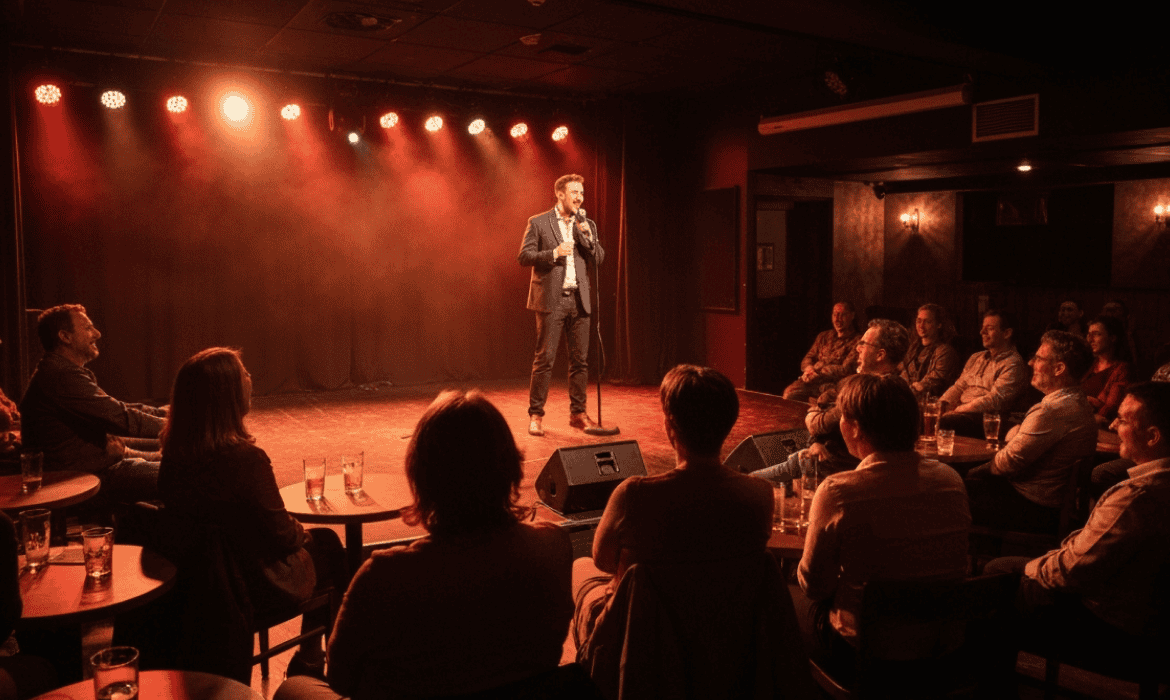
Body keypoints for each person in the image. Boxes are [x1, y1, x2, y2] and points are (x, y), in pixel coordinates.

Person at [276, 390, 573, 700]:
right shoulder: (553, 547)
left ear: (421, 474)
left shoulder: (383, 576)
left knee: (291, 689)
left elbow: (340, 679)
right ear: (510, 466)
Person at [158, 348, 346, 679]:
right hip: (244, 587)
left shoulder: (173, 460)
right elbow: (283, 535)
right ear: (226, 395)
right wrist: (300, 531)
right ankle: (313, 661)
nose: (250, 378)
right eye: (243, 373)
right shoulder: (246, 460)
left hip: (197, 588)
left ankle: (312, 660)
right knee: (328, 544)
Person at [572, 365, 773, 645]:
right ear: (730, 423)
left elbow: (603, 561)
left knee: (581, 567)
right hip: (726, 635)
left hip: (640, 639)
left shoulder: (633, 495)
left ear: (669, 427)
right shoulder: (760, 494)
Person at [984, 383, 1170, 680]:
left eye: (1123, 420)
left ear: (1153, 436)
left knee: (999, 573)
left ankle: (989, 682)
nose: (1112, 425)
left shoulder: (1138, 496)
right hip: (1148, 621)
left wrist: (1034, 567)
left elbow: (1069, 571)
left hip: (1116, 633)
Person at [797, 373, 970, 664]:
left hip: (867, 652)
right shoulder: (951, 480)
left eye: (843, 417)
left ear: (855, 428)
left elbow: (814, 587)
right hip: (944, 648)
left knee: (780, 602)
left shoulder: (837, 492)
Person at [19, 305, 167, 503]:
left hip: (95, 466)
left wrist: (169, 413)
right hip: (79, 480)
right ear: (65, 337)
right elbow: (122, 418)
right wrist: (180, 425)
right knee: (187, 474)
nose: (97, 334)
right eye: (88, 328)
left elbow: (119, 409)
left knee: (178, 454)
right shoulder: (59, 376)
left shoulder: (60, 370)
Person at [964, 331, 1097, 534]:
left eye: (1039, 358)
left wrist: (968, 473)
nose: (1030, 363)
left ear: (1059, 369)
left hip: (1033, 511)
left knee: (950, 491)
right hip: (1052, 508)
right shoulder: (1079, 403)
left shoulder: (1050, 410)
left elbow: (1005, 464)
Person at [752, 319, 910, 484]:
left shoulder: (864, 392)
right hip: (828, 463)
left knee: (749, 482)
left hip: (829, 471)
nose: (857, 348)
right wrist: (816, 442)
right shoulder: (901, 389)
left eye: (863, 344)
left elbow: (818, 425)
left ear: (880, 355)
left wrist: (814, 414)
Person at [518, 174, 605, 437]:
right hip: (551, 301)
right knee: (545, 359)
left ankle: (578, 414)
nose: (579, 197)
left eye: (582, 193)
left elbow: (598, 258)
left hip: (579, 301)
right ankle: (536, 415)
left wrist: (588, 237)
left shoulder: (586, 224)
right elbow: (524, 256)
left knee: (580, 362)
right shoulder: (538, 222)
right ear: (560, 194)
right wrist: (553, 254)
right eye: (574, 192)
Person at [938, 309, 1029, 438]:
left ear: (1007, 333)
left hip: (988, 418)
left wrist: (958, 410)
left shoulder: (1013, 363)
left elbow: (995, 400)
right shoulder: (976, 357)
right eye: (982, 328)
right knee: (923, 413)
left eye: (989, 328)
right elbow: (959, 386)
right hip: (962, 412)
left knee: (947, 421)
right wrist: (942, 405)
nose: (982, 332)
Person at [782, 302, 861, 402]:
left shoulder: (858, 341)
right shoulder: (823, 336)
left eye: (842, 315)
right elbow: (808, 358)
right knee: (789, 394)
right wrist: (809, 368)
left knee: (823, 401)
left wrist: (819, 370)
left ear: (852, 316)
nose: (837, 319)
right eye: (835, 314)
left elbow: (846, 369)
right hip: (811, 380)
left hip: (834, 384)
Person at [901, 303, 961, 401]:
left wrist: (907, 391)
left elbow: (933, 382)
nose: (921, 326)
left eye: (927, 322)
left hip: (931, 401)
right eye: (919, 321)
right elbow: (903, 372)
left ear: (939, 325)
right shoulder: (912, 349)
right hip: (908, 397)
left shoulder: (945, 351)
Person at [1082, 315, 1132, 425]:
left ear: (1112, 338)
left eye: (1096, 334)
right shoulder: (1088, 364)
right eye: (1089, 334)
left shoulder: (1121, 370)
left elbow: (1109, 409)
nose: (1090, 339)